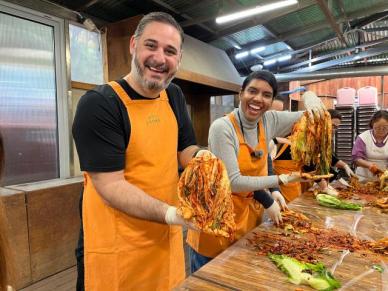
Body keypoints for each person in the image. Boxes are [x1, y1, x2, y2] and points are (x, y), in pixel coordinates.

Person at [72, 12, 207, 290]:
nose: (160, 58)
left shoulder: (174, 96)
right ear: (133, 45)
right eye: (151, 45)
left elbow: (185, 149)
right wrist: (172, 214)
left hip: (162, 238)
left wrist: (203, 158)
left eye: (170, 51)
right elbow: (110, 186)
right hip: (116, 246)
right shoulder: (100, 104)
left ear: (178, 60)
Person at [187, 71, 326, 273]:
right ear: (240, 93)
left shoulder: (268, 121)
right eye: (252, 91)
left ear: (271, 101)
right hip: (215, 223)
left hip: (247, 220)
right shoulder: (222, 127)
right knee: (210, 282)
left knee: (238, 277)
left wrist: (309, 97)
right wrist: (279, 180)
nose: (258, 99)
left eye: (266, 95)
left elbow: (316, 118)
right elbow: (233, 182)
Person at [352, 110, 388, 181]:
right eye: (377, 127)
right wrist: (369, 165)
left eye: (385, 128)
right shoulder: (363, 137)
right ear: (372, 124)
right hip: (363, 178)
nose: (381, 130)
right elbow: (356, 159)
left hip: (384, 179)